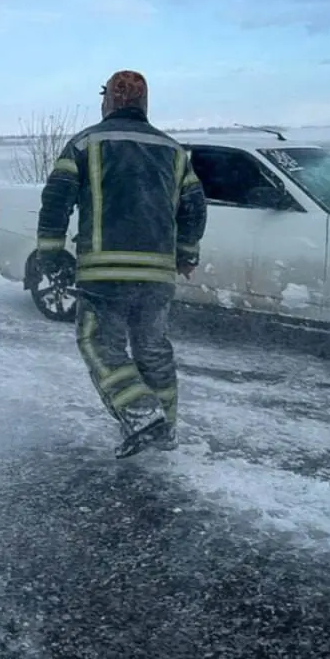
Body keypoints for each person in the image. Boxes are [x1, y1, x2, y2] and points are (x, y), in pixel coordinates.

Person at [34, 70, 207, 458]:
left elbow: (56, 200)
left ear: (109, 102)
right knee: (153, 350)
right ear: (144, 104)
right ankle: (166, 432)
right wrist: (186, 254)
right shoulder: (173, 150)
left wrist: (50, 253)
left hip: (104, 272)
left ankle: (143, 417)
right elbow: (195, 207)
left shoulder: (85, 144)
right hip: (157, 274)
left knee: (98, 343)